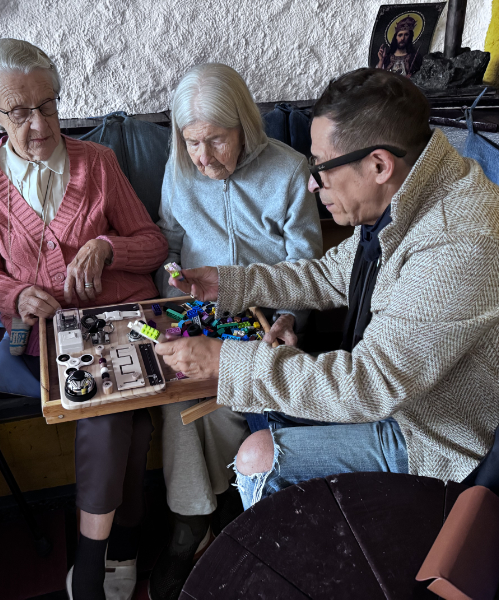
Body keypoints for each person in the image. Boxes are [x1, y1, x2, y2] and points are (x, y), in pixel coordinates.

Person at [154, 68, 499, 511]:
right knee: (264, 405)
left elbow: (368, 386)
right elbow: (329, 274)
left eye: (321, 167)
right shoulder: (415, 198)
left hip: (451, 442)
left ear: (378, 165)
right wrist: (229, 282)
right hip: (412, 400)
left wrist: (224, 360)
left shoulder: (461, 243)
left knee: (259, 457)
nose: (313, 183)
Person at [0, 38, 168, 600]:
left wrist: (106, 246)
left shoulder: (98, 163)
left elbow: (152, 244)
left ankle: (97, 557)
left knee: (130, 414)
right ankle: (111, 552)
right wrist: (19, 293)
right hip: (49, 335)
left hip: (128, 320)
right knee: (111, 413)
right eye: (20, 112)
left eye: (48, 105)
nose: (39, 123)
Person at [150, 63, 322, 600]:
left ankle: (216, 519)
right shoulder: (180, 169)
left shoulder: (290, 171)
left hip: (269, 320)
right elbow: (169, 242)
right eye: (192, 142)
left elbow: (309, 266)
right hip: (199, 310)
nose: (202, 157)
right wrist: (173, 281)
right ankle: (196, 518)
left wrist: (292, 317)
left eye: (216, 141)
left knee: (226, 389)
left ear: (245, 126)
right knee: (176, 395)